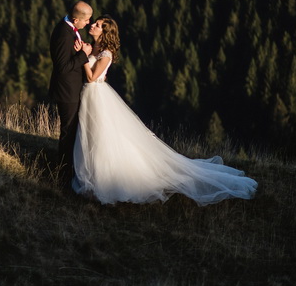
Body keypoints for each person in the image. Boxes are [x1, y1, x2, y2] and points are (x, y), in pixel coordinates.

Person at [72, 16, 257, 205]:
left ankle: (105, 180)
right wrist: (85, 53)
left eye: (97, 25)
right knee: (91, 134)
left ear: (105, 33)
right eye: (94, 23)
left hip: (97, 94)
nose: (93, 25)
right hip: (91, 96)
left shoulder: (106, 53)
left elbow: (93, 77)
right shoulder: (93, 48)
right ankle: (92, 174)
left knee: (101, 135)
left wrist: (83, 56)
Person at [49, 1, 93, 183]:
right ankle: (63, 175)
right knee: (68, 132)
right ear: (76, 20)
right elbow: (63, 67)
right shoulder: (63, 35)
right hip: (66, 91)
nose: (88, 24)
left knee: (73, 130)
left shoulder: (72, 30)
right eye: (87, 20)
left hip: (73, 88)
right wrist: (83, 56)